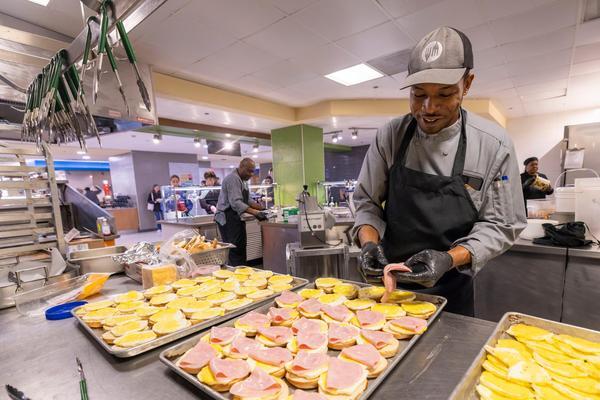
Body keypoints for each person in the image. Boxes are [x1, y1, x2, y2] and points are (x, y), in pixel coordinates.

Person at [352, 27, 527, 316]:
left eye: (444, 94)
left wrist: (448, 259)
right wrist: (369, 245)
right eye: (418, 94)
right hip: (388, 286)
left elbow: (502, 224)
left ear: (467, 84)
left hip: (451, 290)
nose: (428, 108)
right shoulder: (391, 136)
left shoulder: (494, 146)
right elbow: (367, 202)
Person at [215, 158, 269, 266]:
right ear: (241, 167)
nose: (251, 174)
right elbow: (236, 203)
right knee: (234, 249)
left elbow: (248, 200)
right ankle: (236, 275)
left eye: (253, 171)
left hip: (236, 217)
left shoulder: (243, 181)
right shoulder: (232, 179)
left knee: (241, 246)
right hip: (227, 218)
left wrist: (262, 208)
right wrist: (255, 213)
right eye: (249, 171)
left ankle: (242, 271)